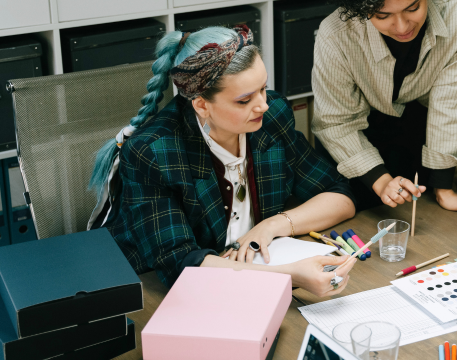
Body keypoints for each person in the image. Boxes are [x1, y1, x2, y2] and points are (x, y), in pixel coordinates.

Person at [91, 26, 357, 298]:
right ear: (202, 106)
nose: (263, 105)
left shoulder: (271, 117)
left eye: (263, 88)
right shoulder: (154, 152)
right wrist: (291, 275)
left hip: (248, 276)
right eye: (244, 100)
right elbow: (181, 265)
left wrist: (269, 227)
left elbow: (340, 196)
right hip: (159, 294)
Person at [312, 0, 457, 216]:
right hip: (355, 141)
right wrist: (379, 180)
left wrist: (443, 187)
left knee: (423, 222)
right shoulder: (335, 35)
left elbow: (451, 102)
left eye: (413, 7)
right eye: (382, 16)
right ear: (361, 8)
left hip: (417, 129)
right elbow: (336, 121)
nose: (402, 26)